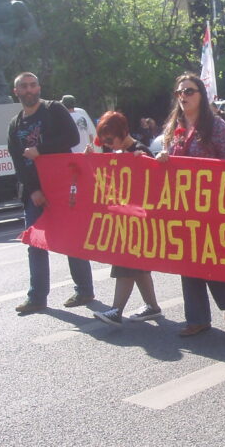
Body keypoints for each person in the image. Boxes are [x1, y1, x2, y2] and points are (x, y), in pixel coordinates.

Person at [156, 73, 225, 336]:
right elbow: (169, 159)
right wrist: (162, 158)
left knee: (207, 257)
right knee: (187, 261)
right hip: (181, 205)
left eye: (189, 91)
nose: (183, 96)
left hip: (209, 205)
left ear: (201, 95)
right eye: (179, 93)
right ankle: (197, 318)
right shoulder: (173, 126)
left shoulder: (214, 125)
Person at [7, 72, 95, 313]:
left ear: (39, 87)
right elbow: (17, 160)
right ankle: (37, 297)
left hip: (61, 187)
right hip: (34, 194)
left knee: (69, 238)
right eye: (23, 86)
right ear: (16, 92)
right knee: (35, 244)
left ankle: (84, 290)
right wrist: (33, 190)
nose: (29, 90)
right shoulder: (15, 124)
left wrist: (40, 150)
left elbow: (71, 137)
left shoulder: (54, 109)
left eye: (32, 85)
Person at [87, 111, 162, 326]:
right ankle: (152, 307)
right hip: (128, 220)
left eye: (110, 139)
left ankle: (116, 310)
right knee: (137, 267)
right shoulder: (122, 153)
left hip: (138, 221)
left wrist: (144, 163)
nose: (108, 145)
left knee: (126, 263)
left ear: (123, 132)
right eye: (104, 141)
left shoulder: (139, 152)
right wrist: (91, 161)